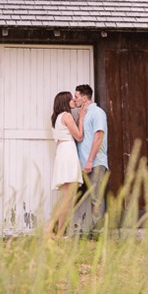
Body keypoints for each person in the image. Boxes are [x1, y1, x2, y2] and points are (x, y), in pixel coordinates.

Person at [47, 91, 86, 236]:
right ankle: (50, 228)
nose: (73, 101)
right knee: (68, 197)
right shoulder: (67, 115)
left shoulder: (56, 118)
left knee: (66, 196)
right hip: (68, 153)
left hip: (62, 153)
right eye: (71, 99)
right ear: (65, 101)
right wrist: (81, 118)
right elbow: (79, 136)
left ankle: (60, 232)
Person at [74, 84, 108, 235]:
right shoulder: (83, 115)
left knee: (96, 199)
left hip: (95, 163)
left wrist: (89, 161)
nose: (75, 100)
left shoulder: (97, 112)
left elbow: (99, 136)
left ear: (84, 97)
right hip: (82, 165)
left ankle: (99, 234)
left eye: (76, 97)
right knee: (75, 197)